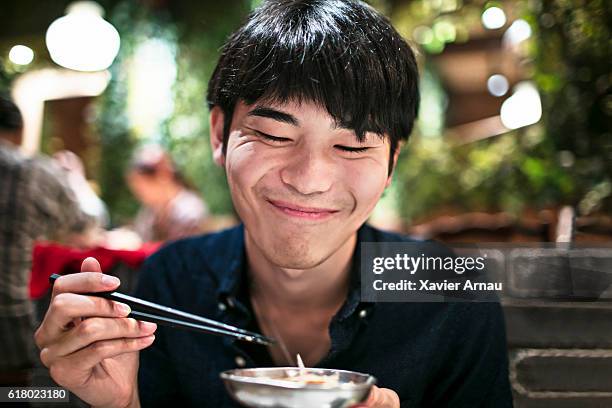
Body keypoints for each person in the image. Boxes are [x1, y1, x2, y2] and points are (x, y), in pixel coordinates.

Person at [34, 1, 513, 407]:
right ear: (220, 134)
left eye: (351, 147)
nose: (309, 179)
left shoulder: (449, 290)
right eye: (273, 134)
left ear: (391, 163)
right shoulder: (174, 279)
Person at [0, 96, 99, 385]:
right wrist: (77, 178)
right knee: (14, 394)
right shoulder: (34, 170)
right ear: (20, 132)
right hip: (9, 319)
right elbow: (85, 226)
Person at [126, 144, 208, 242]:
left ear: (163, 175)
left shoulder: (189, 210)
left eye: (142, 187)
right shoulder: (149, 212)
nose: (138, 194)